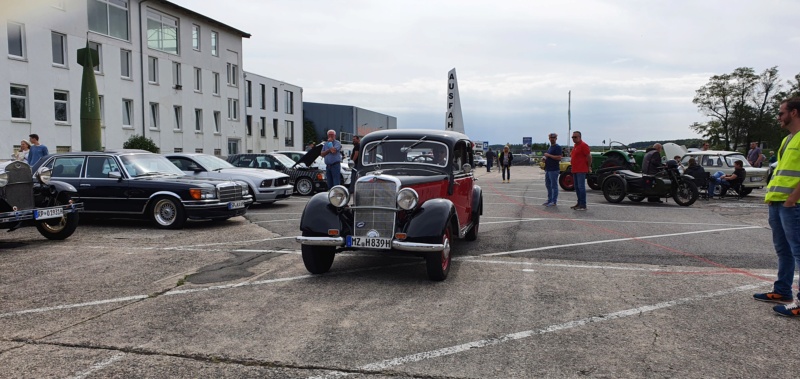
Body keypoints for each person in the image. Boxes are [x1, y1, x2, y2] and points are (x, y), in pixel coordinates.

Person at [754, 97, 800, 317]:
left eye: (781, 113)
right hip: (778, 202)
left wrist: (792, 199)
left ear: (794, 113)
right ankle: (783, 290)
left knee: (798, 251)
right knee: (784, 251)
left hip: (793, 204)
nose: (778, 117)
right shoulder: (787, 140)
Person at [570, 131, 591, 210]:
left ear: (579, 137)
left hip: (581, 169)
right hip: (575, 169)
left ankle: (583, 204)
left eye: (575, 137)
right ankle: (579, 203)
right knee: (577, 187)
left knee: (581, 187)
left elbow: (589, 157)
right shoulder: (575, 146)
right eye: (573, 137)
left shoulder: (584, 145)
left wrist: (588, 166)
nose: (573, 139)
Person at [542, 133, 562, 206]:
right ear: (549, 138)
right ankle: (549, 199)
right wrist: (545, 159)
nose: (552, 139)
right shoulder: (550, 147)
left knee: (554, 185)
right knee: (548, 185)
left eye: (553, 138)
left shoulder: (557, 147)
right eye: (551, 138)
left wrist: (549, 155)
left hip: (554, 169)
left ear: (556, 138)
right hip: (548, 168)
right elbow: (548, 157)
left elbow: (559, 157)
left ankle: (554, 201)